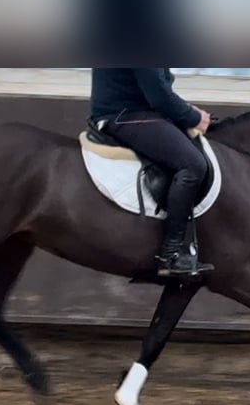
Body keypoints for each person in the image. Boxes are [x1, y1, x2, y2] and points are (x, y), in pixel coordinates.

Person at [89, 68, 215, 278]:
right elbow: (158, 95)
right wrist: (193, 117)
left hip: (130, 110)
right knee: (193, 165)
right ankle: (171, 254)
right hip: (125, 115)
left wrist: (184, 110)